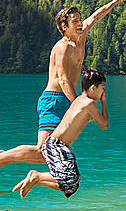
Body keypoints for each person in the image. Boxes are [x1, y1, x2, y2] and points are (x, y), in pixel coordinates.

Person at [0, 0, 126, 183]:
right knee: (43, 151)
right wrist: (77, 106)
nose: (80, 23)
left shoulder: (81, 34)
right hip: (54, 100)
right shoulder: (61, 48)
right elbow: (63, 80)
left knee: (47, 154)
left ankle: (2, 157)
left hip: (66, 100)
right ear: (64, 27)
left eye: (80, 19)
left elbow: (96, 16)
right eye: (75, 21)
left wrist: (115, 0)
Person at [13, 68, 108, 197]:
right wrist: (103, 102)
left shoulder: (79, 100)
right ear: (92, 88)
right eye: (102, 87)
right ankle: (36, 176)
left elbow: (85, 119)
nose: (104, 91)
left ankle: (38, 179)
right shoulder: (89, 103)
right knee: (70, 178)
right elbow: (104, 125)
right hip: (56, 145)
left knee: (72, 186)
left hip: (56, 145)